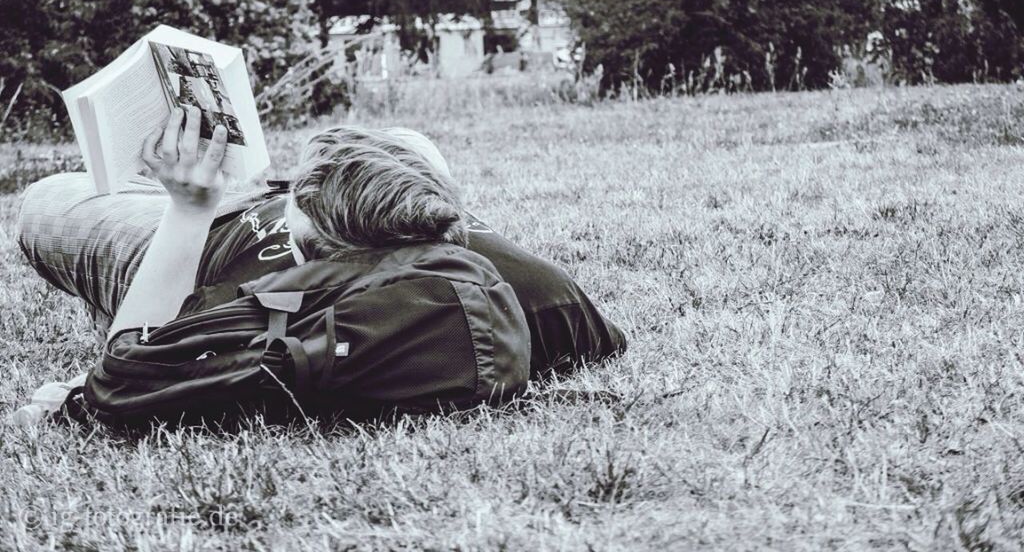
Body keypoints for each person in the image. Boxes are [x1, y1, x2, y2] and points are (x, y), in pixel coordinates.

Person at [15, 107, 626, 422]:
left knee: (47, 199)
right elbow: (600, 340)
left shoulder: (251, 301)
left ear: (318, 243)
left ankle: (182, 190)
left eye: (300, 211)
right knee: (407, 138)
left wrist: (188, 209)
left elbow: (129, 367)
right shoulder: (539, 290)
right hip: (271, 200)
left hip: (195, 236)